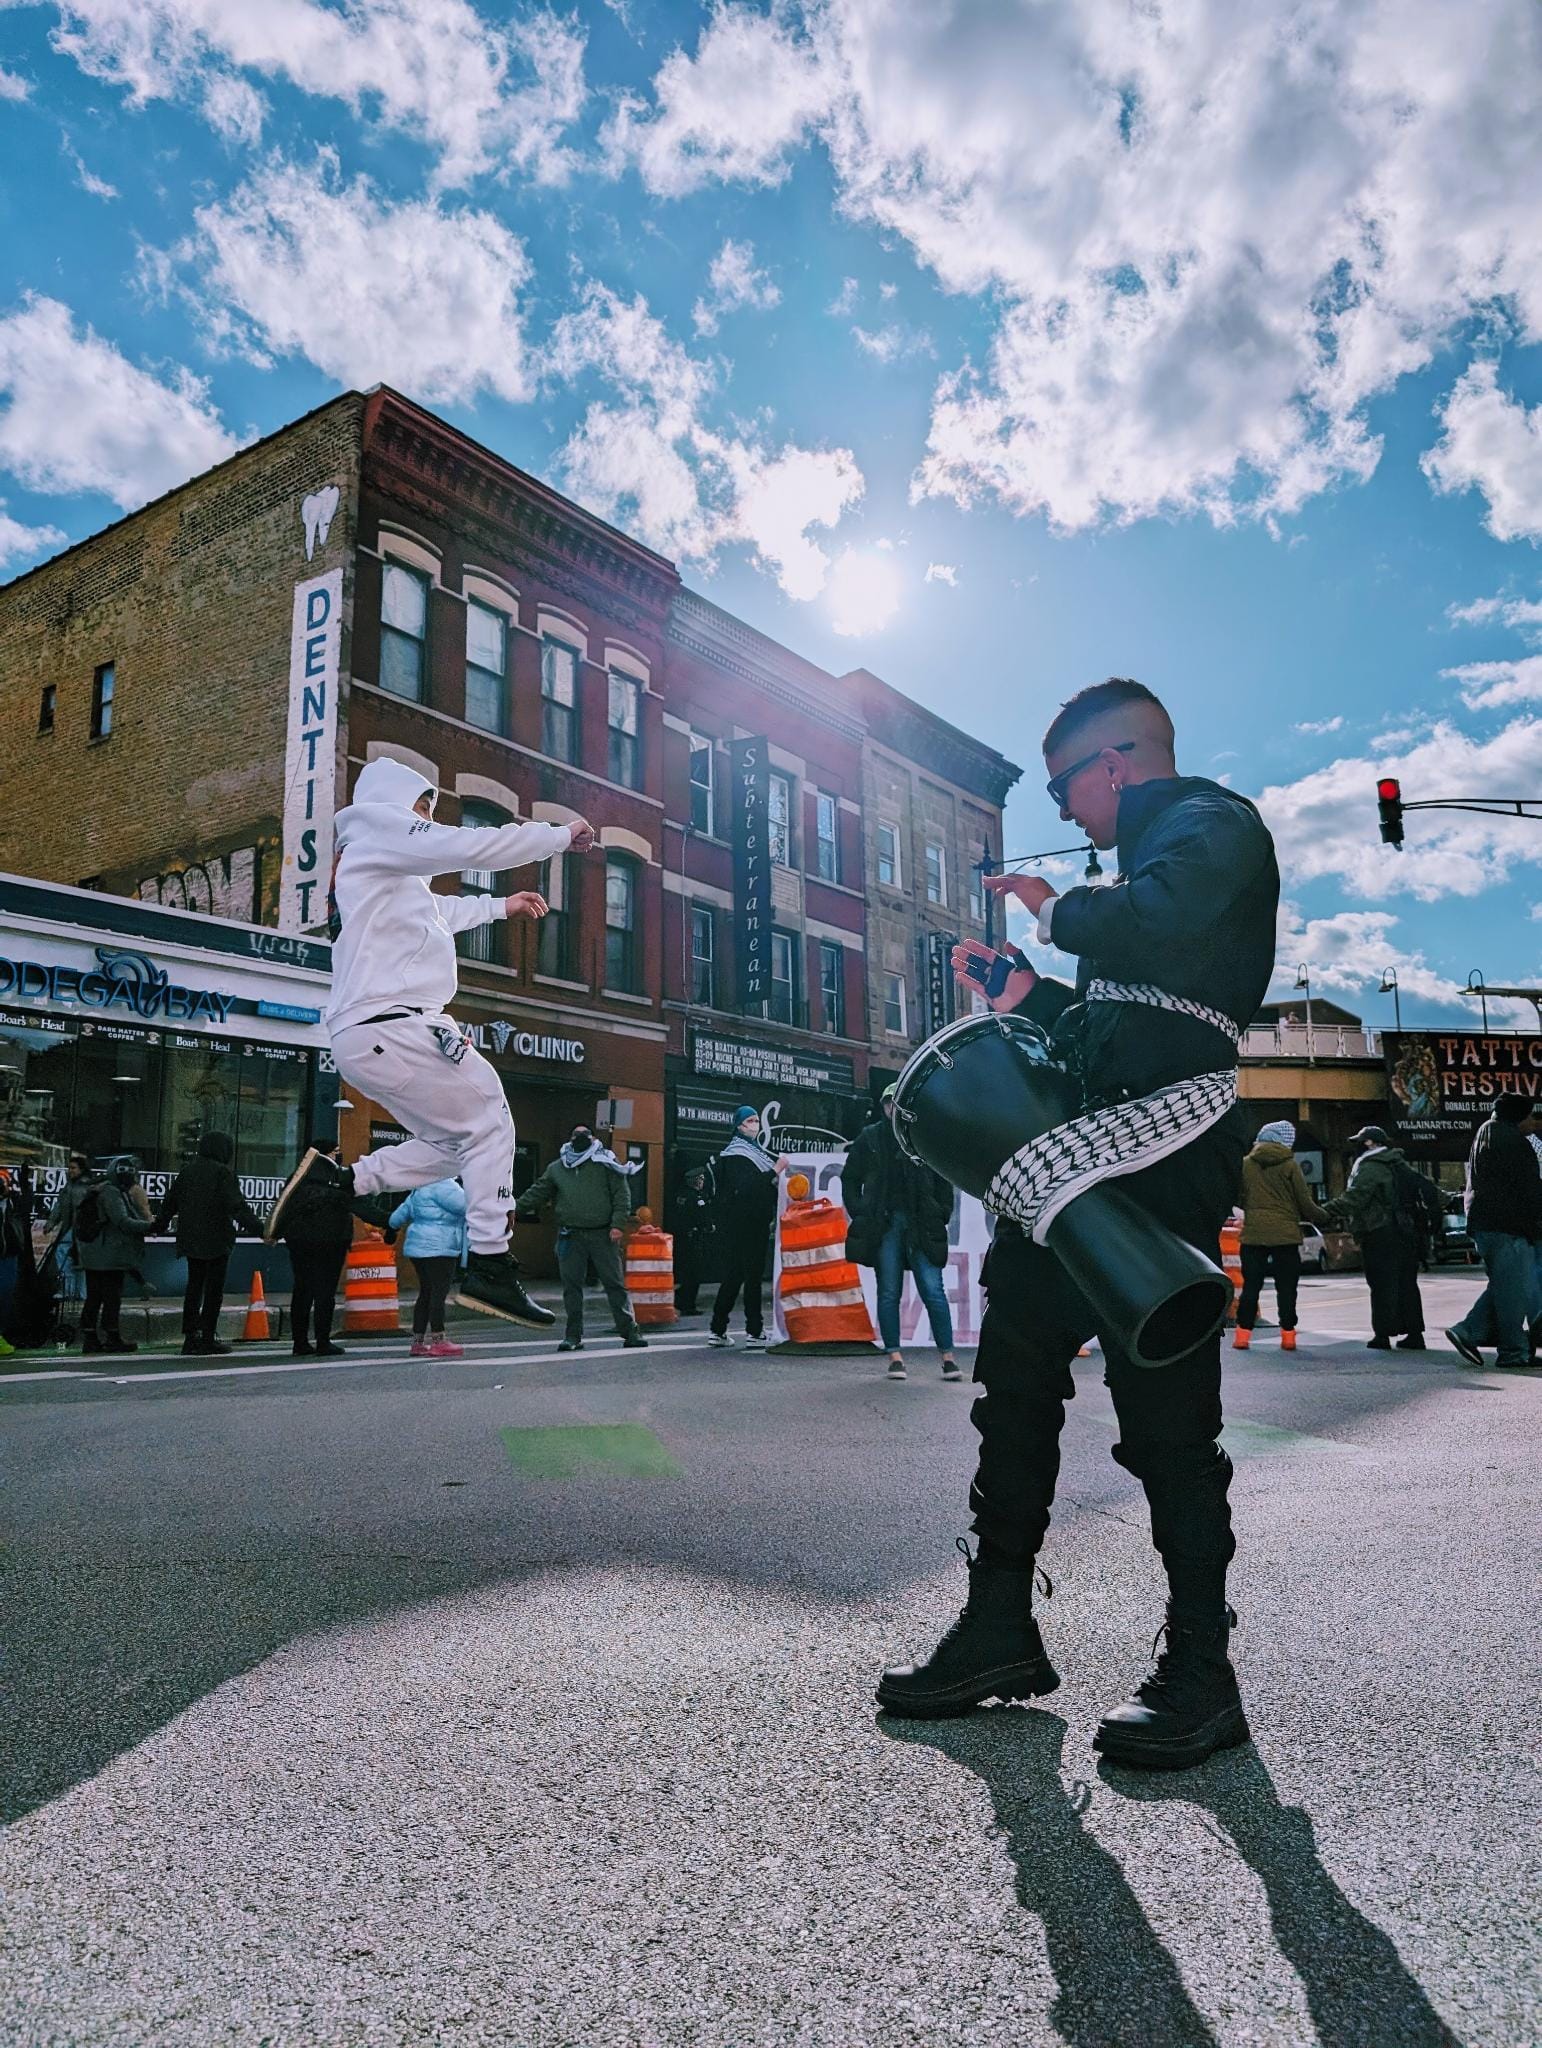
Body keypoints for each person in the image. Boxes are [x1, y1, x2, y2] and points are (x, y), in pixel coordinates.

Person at [879, 676, 1279, 1772]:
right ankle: (999, 1625)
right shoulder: (1139, 869)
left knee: (1166, 1418)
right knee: (1014, 1381)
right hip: (1080, 1160)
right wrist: (1027, 993)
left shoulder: (1212, 826)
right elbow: (1120, 1017)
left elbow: (1163, 929)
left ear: (1116, 762)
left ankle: (1203, 1667)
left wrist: (1050, 911)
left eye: (1065, 784)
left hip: (1167, 1153)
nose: (1061, 811)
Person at [264, 758, 589, 1328]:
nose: (428, 816)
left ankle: (341, 1181)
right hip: (391, 1023)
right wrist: (557, 836)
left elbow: (442, 912)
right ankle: (490, 1263)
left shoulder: (389, 878)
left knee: (455, 1145)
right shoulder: (379, 827)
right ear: (397, 798)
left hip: (373, 1034)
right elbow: (467, 847)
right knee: (490, 1117)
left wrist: (501, 906)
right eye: (425, 804)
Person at [844, 1085, 961, 1382]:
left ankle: (948, 1356)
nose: (893, 1109)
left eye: (898, 1103)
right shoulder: (870, 1137)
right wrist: (861, 1210)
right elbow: (850, 1177)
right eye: (888, 1103)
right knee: (889, 1292)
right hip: (886, 1224)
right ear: (883, 1107)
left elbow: (945, 1177)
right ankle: (895, 1356)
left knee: (933, 1291)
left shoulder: (925, 1137)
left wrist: (941, 1211)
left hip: (922, 1222)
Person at [516, 1126, 647, 1353]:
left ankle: (630, 1331)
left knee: (614, 1284)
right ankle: (573, 1336)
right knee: (571, 1287)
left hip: (602, 1233)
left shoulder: (606, 1163)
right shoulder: (558, 1168)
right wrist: (513, 1209)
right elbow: (538, 1191)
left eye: (584, 1137)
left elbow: (621, 1194)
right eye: (576, 1137)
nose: (580, 1141)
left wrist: (617, 1225)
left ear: (592, 1140)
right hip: (571, 1234)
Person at [1444, 1096, 1542, 1370]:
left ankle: (1469, 1331)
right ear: (1517, 1118)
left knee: (1505, 1285)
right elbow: (1529, 1192)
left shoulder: (1486, 1133)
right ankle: (1511, 1351)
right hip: (1507, 1226)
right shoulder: (1514, 1143)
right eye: (1530, 1117)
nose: (1533, 1123)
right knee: (1514, 1293)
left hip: (1486, 1226)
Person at [1326, 1125, 1443, 1351]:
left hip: (1380, 1232)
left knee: (1381, 1285)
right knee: (1408, 1284)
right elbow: (1430, 1189)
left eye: (1360, 1142)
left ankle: (1382, 1335)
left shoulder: (1370, 1166)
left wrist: (1324, 1210)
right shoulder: (1399, 1163)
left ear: (1369, 1143)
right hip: (1407, 1232)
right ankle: (1414, 1334)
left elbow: (1355, 1198)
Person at [152, 1132, 265, 1357]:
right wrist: (262, 1231)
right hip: (217, 1239)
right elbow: (237, 1207)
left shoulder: (188, 1171)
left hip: (190, 1238)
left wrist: (158, 1225)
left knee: (194, 1287)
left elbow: (170, 1203)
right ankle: (207, 1336)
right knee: (213, 1290)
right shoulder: (223, 1173)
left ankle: (190, 1336)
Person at [1233, 1120, 1327, 1353]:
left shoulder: (1245, 1164)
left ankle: (1243, 1336)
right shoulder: (1290, 1166)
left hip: (1253, 1235)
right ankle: (1287, 1337)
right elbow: (1304, 1202)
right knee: (1286, 1289)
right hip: (1285, 1236)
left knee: (1251, 1287)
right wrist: (1325, 1215)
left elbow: (1237, 1196)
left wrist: (1251, 1211)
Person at [708, 1108, 782, 1351]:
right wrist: (775, 1171)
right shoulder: (740, 1154)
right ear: (739, 1125)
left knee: (734, 1276)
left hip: (736, 1223)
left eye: (757, 1120)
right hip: (749, 1223)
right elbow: (749, 1188)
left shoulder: (744, 1152)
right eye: (750, 1121)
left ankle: (718, 1329)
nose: (755, 1124)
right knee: (751, 1277)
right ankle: (755, 1330)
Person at [277, 1138, 353, 1358]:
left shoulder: (297, 1177)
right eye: (335, 1151)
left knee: (302, 1290)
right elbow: (354, 1205)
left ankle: (299, 1342)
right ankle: (322, 1341)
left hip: (300, 1242)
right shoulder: (337, 1178)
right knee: (325, 1293)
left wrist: (274, 1232)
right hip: (331, 1242)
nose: (338, 1156)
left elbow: (285, 1207)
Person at [76, 1154, 155, 1354]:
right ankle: (111, 1337)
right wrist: (152, 1226)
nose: (129, 1175)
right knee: (111, 1296)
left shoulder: (102, 1189)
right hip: (109, 1254)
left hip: (94, 1252)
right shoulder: (112, 1192)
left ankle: (91, 1337)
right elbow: (123, 1221)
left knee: (94, 1296)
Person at [389, 1176, 469, 1359]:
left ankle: (417, 1342)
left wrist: (390, 1227)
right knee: (438, 1293)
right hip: (440, 1246)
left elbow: (396, 1218)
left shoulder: (419, 1188)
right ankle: (439, 1340)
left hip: (417, 1247)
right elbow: (467, 1207)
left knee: (426, 1292)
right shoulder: (445, 1186)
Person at [46, 1153, 91, 1342]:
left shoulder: (83, 1188)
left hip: (79, 1230)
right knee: (76, 1260)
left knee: (70, 1257)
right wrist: (51, 1222)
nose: (70, 1171)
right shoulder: (71, 1187)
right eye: (69, 1168)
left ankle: (74, 1291)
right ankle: (77, 1292)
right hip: (73, 1230)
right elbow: (60, 1207)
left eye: (73, 1168)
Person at [670, 1162, 715, 1316]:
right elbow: (701, 1217)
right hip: (693, 1239)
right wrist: (708, 1226)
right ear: (695, 1181)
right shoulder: (695, 1197)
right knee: (694, 1274)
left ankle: (681, 1299)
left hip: (684, 1239)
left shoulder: (681, 1195)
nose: (702, 1181)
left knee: (687, 1273)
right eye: (701, 1179)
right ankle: (688, 1304)